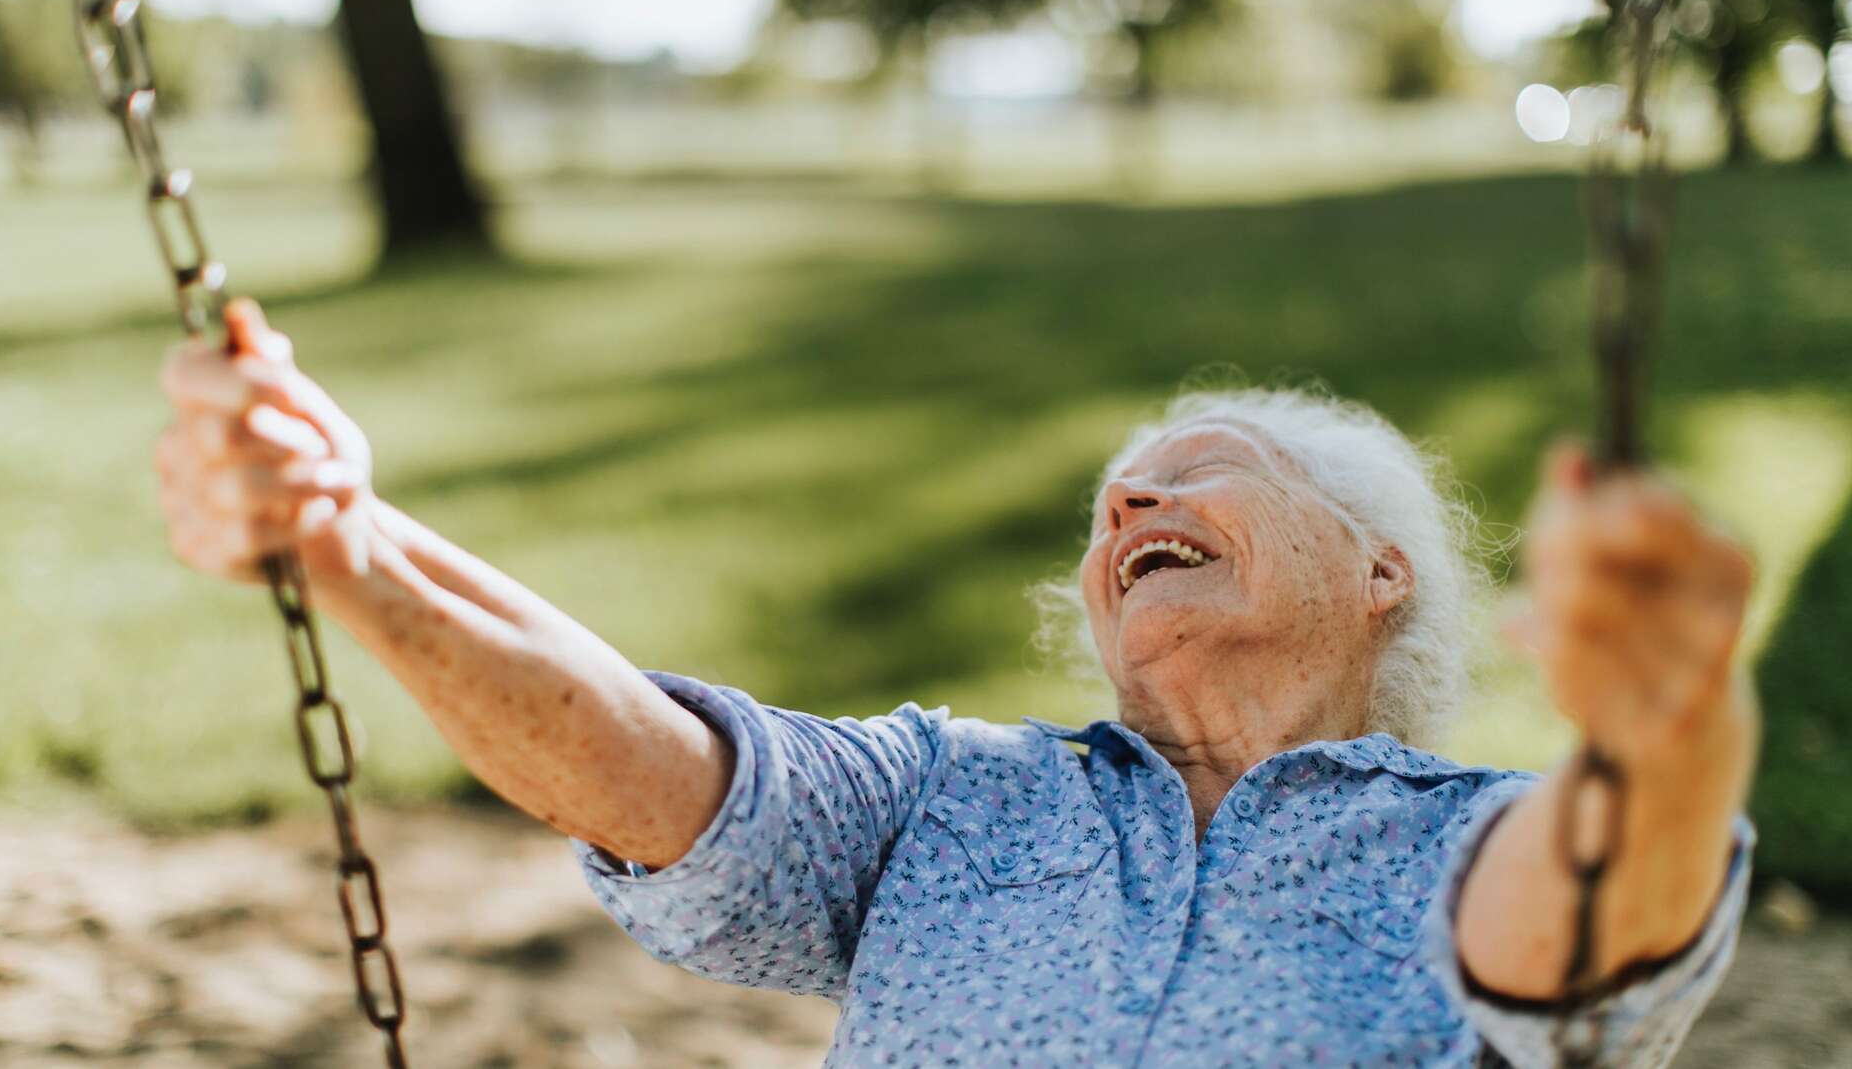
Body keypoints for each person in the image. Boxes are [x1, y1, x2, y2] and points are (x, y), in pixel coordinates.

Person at [155, 301, 1756, 1067]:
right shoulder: (951, 793)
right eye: (1112, 503)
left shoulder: (1472, 836)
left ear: (1378, 571)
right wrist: (347, 540)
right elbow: (661, 775)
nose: (1130, 506)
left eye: (1200, 472)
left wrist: (1666, 721)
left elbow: (1583, 921)